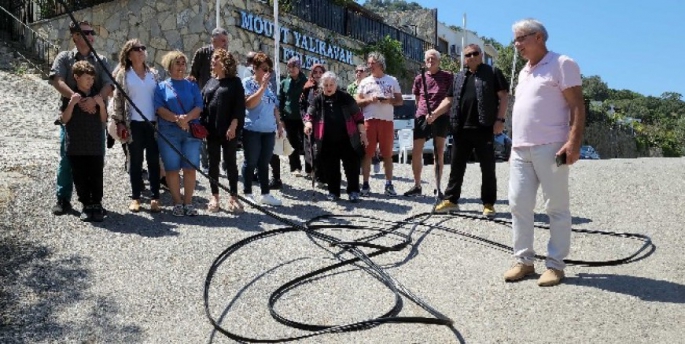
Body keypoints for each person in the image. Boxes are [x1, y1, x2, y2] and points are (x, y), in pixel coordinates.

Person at [503, 19, 585, 287]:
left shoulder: (562, 64)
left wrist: (572, 143)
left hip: (552, 147)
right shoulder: (524, 71)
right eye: (515, 39)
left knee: (556, 206)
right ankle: (524, 261)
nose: (516, 44)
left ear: (538, 37)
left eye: (521, 38)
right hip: (520, 149)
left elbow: (577, 106)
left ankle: (555, 265)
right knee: (518, 204)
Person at [431, 44, 508, 216]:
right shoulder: (458, 76)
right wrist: (435, 114)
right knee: (456, 167)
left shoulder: (492, 73)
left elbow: (504, 97)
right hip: (460, 128)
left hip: (484, 127)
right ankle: (451, 200)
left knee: (488, 168)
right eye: (467, 55)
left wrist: (500, 120)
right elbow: (449, 100)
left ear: (481, 55)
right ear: (464, 58)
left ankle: (488, 204)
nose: (471, 57)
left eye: (474, 54)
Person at [49, 20, 113, 215]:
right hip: (71, 117)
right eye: (87, 32)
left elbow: (109, 85)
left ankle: (93, 201)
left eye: (92, 32)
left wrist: (94, 100)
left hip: (95, 119)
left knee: (95, 159)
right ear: (76, 36)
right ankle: (63, 198)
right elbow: (56, 80)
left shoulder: (101, 59)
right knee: (68, 158)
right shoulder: (64, 58)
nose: (92, 35)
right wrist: (77, 99)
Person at [110, 39, 162, 213]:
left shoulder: (154, 74)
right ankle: (136, 198)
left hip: (153, 123)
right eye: (137, 49)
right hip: (134, 124)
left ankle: (155, 197)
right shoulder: (124, 74)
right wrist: (118, 122)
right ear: (129, 54)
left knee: (154, 160)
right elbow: (117, 100)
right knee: (135, 161)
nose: (141, 51)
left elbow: (161, 96)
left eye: (143, 48)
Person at [304, 71, 367, 202]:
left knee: (351, 167)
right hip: (327, 140)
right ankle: (333, 192)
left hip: (347, 139)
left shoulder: (345, 97)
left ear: (336, 85)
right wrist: (308, 123)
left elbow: (358, 117)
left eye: (331, 84)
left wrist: (363, 134)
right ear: (322, 86)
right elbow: (309, 114)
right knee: (330, 168)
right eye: (326, 85)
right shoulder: (318, 99)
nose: (328, 87)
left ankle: (353, 191)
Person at [154, 50, 204, 216]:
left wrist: (186, 119)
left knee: (190, 168)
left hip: (191, 132)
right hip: (168, 132)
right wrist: (177, 119)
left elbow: (199, 106)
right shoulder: (161, 87)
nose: (181, 67)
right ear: (169, 66)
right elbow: (159, 108)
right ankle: (177, 202)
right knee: (172, 168)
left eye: (183, 63)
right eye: (178, 63)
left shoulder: (192, 85)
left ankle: (188, 202)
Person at [58, 61, 108, 222]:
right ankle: (86, 204)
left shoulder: (96, 96)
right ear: (76, 77)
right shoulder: (69, 97)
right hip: (76, 145)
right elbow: (64, 119)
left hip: (94, 144)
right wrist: (72, 103)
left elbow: (103, 119)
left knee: (96, 174)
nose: (90, 82)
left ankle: (97, 203)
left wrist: (100, 103)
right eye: (87, 78)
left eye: (92, 79)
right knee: (80, 176)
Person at [403, 49, 454, 197]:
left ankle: (438, 187)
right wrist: (423, 111)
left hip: (442, 115)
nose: (430, 61)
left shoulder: (447, 77)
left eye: (433, 58)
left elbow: (450, 98)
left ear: (438, 60)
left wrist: (436, 113)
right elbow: (418, 98)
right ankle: (417, 185)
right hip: (422, 116)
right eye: (428, 59)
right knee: (416, 150)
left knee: (438, 151)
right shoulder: (420, 78)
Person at [202, 48, 245, 213]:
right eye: (213, 58)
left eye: (217, 58)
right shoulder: (210, 82)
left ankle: (233, 197)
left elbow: (239, 107)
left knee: (230, 163)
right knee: (213, 164)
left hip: (229, 130)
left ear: (225, 62)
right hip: (211, 130)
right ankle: (215, 196)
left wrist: (234, 125)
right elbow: (203, 104)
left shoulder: (235, 82)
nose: (213, 61)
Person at [354, 52, 403, 196]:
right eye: (368, 63)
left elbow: (400, 101)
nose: (369, 66)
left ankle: (388, 184)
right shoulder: (365, 82)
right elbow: (357, 101)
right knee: (367, 154)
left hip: (386, 121)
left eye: (372, 63)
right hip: (369, 120)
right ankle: (365, 185)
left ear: (380, 64)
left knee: (387, 154)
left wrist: (389, 100)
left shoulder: (392, 80)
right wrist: (369, 100)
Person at [242, 52, 284, 206]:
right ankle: (247, 192)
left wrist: (279, 124)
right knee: (251, 161)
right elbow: (249, 104)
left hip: (268, 130)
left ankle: (265, 193)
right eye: (264, 69)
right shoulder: (247, 82)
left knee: (264, 162)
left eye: (269, 70)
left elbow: (274, 107)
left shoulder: (270, 88)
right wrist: (262, 87)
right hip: (252, 129)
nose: (267, 73)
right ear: (255, 68)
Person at [189, 28, 229, 174]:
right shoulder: (202, 53)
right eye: (223, 41)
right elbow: (193, 76)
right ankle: (206, 164)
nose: (225, 44)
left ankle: (225, 165)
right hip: (204, 99)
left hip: (223, 100)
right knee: (203, 131)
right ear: (214, 40)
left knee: (224, 133)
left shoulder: (227, 56)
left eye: (226, 41)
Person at [348, 64, 381, 175]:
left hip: (367, 115)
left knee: (369, 140)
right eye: (357, 71)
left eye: (361, 71)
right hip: (354, 117)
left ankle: (375, 159)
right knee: (357, 140)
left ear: (366, 73)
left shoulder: (370, 85)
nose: (358, 73)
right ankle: (360, 164)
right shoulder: (351, 87)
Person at [278, 57, 307, 177]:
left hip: (303, 118)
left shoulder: (306, 81)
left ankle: (310, 168)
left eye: (294, 66)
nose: (291, 69)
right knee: (292, 144)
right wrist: (281, 118)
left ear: (299, 67)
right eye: (289, 66)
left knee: (307, 144)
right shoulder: (284, 82)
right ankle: (295, 167)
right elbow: (280, 101)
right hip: (289, 118)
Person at [300, 64, 327, 185]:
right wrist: (305, 120)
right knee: (310, 150)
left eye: (320, 72)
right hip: (310, 124)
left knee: (322, 151)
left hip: (324, 125)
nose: (317, 74)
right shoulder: (307, 88)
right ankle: (315, 175)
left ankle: (323, 176)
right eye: (315, 72)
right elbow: (301, 105)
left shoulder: (328, 87)